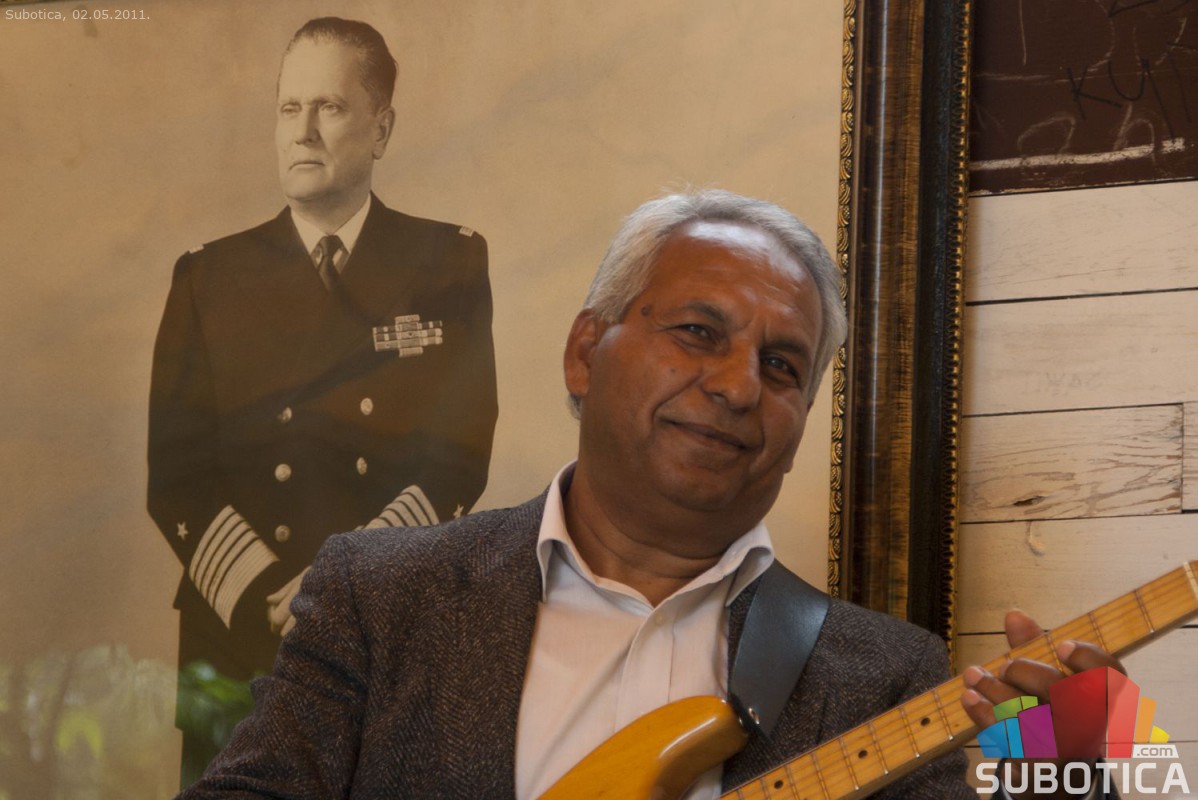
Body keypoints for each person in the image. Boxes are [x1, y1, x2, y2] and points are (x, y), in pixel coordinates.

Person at [177, 190, 1120, 799]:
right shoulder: (381, 595)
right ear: (586, 352)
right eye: (700, 332)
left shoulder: (887, 677)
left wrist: (1082, 761)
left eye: (782, 366)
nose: (739, 386)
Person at [147, 17, 497, 784]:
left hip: (387, 626)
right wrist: (267, 594)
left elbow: (458, 455)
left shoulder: (448, 262)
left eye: (330, 108)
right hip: (241, 635)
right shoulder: (208, 277)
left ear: (382, 129)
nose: (302, 132)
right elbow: (174, 476)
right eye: (288, 108)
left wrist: (346, 579)